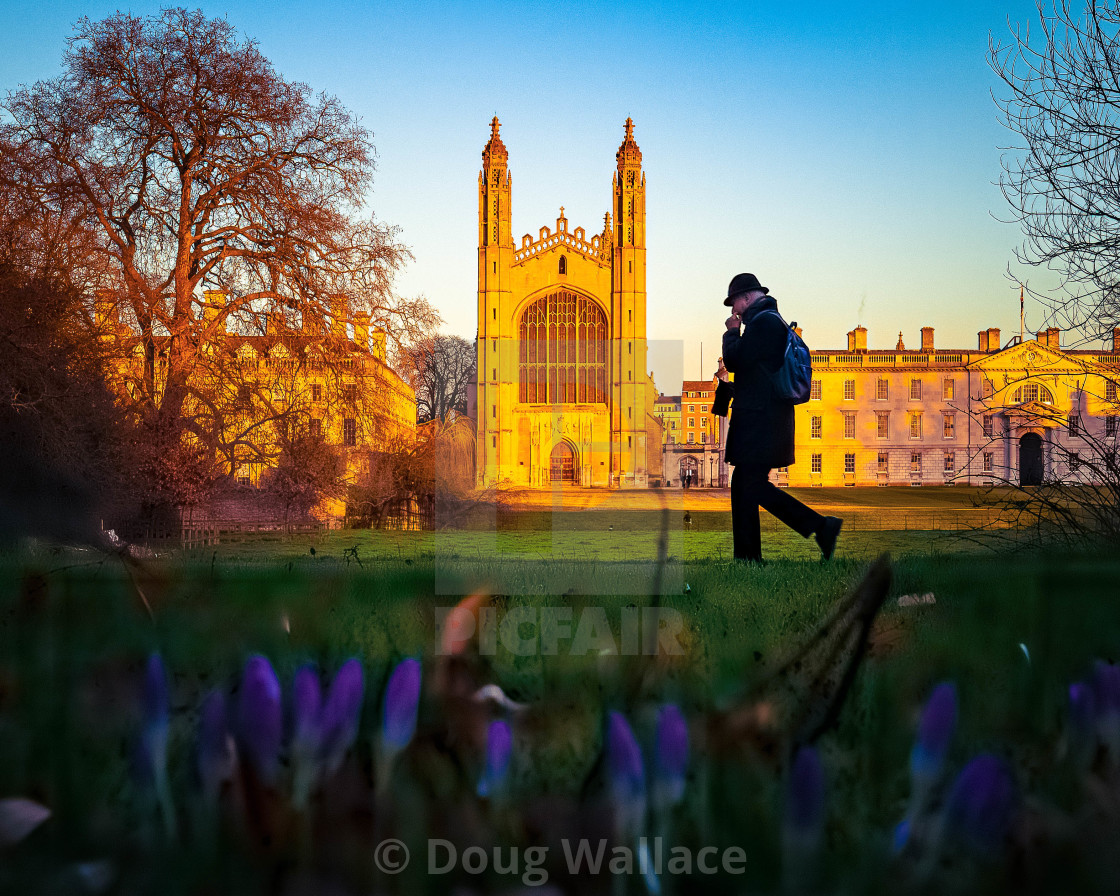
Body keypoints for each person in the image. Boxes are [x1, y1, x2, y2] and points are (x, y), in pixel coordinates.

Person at [714, 273, 842, 563]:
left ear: (746, 297)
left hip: (763, 422)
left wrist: (731, 331)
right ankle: (748, 558)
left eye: (735, 303)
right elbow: (756, 372)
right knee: (743, 484)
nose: (734, 311)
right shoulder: (769, 322)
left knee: (751, 485)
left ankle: (821, 526)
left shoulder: (765, 323)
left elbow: (736, 360)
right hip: (762, 418)